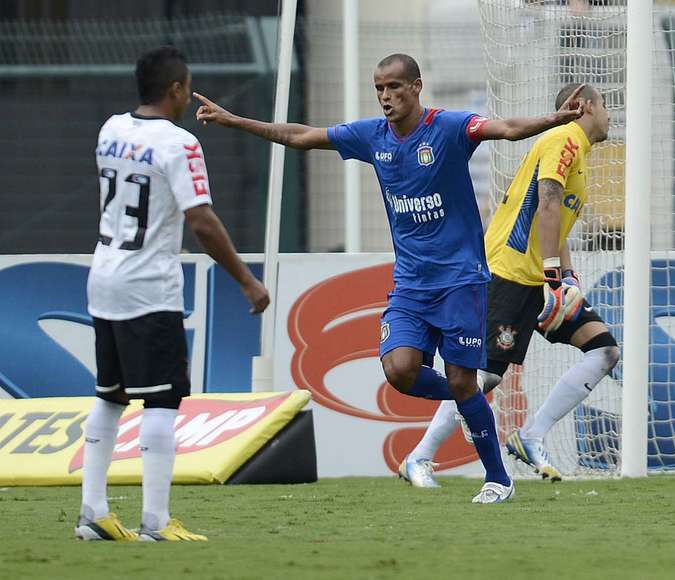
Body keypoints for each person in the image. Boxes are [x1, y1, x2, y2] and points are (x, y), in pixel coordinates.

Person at [194, 53, 582, 503]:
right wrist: (235, 120)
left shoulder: (449, 128)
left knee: (460, 379)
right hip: (411, 285)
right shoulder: (370, 136)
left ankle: (498, 478)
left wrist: (554, 120)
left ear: (416, 87)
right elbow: (301, 135)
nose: (385, 96)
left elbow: (507, 129)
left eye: (394, 87)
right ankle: (468, 401)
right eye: (379, 88)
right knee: (399, 371)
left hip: (460, 281)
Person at [76, 46, 269, 541]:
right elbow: (201, 221)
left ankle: (93, 513)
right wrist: (246, 280)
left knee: (110, 394)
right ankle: (155, 523)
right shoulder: (178, 144)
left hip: (104, 275)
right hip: (147, 286)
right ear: (177, 90)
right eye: (186, 87)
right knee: (162, 401)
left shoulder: (110, 130)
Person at [401, 83, 620, 486]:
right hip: (509, 273)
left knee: (604, 351)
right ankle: (419, 457)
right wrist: (556, 276)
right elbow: (547, 202)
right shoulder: (563, 137)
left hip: (541, 279)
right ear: (583, 106)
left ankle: (531, 435)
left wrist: (565, 276)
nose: (609, 114)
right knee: (482, 378)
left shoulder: (579, 154)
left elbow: (556, 220)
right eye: (604, 105)